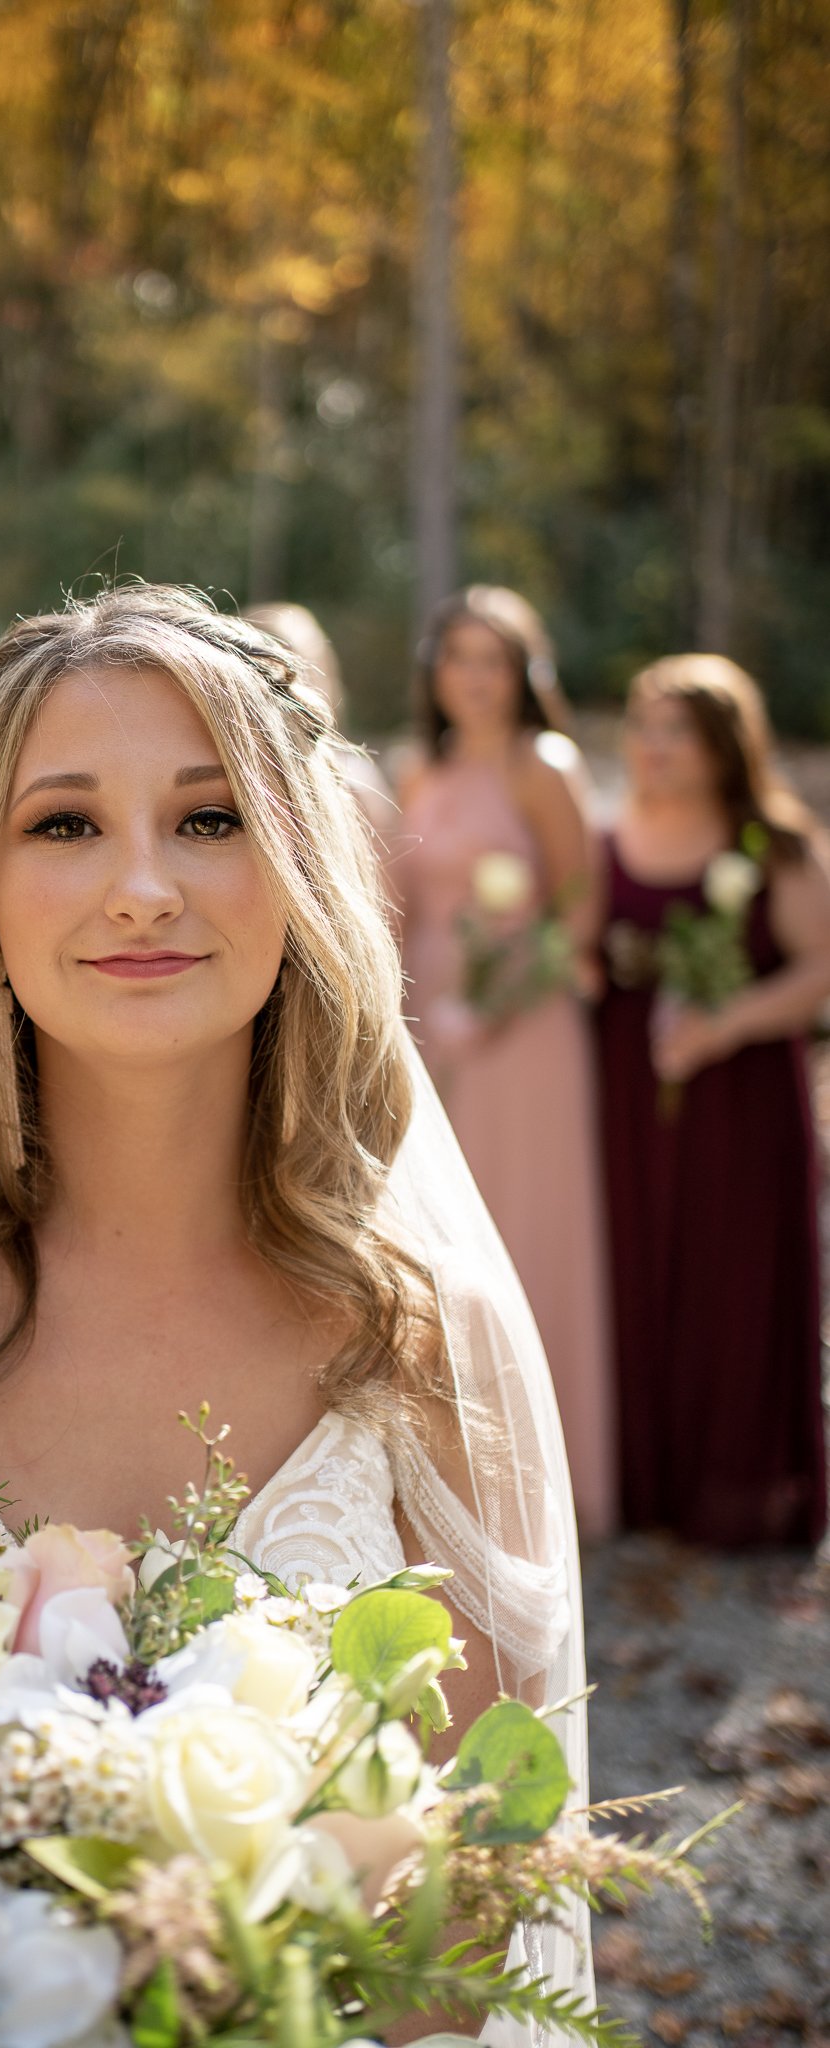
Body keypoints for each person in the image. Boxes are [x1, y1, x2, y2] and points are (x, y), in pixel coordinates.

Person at [0, 586, 593, 2018]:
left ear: (295, 866)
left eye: (207, 819)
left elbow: (463, 1939)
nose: (141, 884)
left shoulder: (415, 1337)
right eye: (65, 823)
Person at [395, 587, 616, 1540]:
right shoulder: (422, 771)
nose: (474, 679)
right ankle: (462, 1473)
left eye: (493, 660)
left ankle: (551, 1483)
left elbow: (582, 910)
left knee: (527, 1227)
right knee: (443, 1237)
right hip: (433, 1021)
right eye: (458, 659)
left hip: (524, 1029)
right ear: (434, 674)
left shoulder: (544, 766)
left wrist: (496, 1003)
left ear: (525, 673)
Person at [597, 655, 830, 1546]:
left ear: (725, 743)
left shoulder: (774, 841)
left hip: (741, 1105)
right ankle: (645, 1485)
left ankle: (735, 1490)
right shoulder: (610, 834)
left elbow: (818, 968)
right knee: (641, 1273)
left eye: (676, 730)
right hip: (628, 1100)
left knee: (731, 1283)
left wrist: (725, 1023)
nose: (653, 747)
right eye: (643, 726)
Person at [243, 602, 399, 845]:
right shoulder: (221, 781)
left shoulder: (354, 786)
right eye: (269, 673)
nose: (289, 688)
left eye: (303, 670)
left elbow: (386, 880)